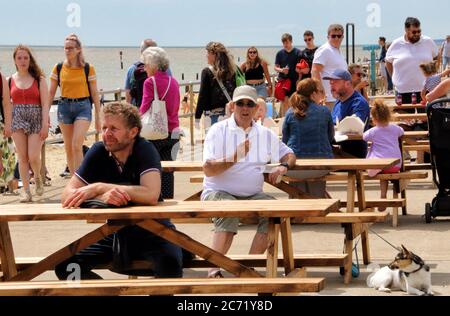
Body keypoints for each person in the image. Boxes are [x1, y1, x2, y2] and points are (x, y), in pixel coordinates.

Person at [56, 101, 183, 279]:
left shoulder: (145, 149)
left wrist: (99, 187)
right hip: (116, 233)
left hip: (155, 231)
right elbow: (66, 195)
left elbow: (151, 194)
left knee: (170, 267)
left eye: (114, 128)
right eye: (104, 128)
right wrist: (101, 197)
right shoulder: (98, 152)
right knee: (66, 266)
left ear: (133, 132)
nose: (107, 134)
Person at [202, 85, 296, 278]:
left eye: (249, 104)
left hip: (253, 195)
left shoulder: (265, 133)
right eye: (240, 104)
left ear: (256, 108)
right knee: (229, 210)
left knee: (276, 213)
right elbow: (208, 169)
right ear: (232, 106)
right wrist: (235, 157)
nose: (245, 108)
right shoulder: (217, 130)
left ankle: (246, 266)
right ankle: (214, 269)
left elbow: (290, 154)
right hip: (218, 191)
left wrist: (283, 167)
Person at [48, 34, 101, 176]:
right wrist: (45, 114)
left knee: (76, 145)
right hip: (64, 107)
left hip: (83, 107)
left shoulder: (88, 68)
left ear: (78, 49)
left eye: (70, 48)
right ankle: (73, 180)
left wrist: (98, 116)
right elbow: (51, 92)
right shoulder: (58, 67)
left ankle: (80, 180)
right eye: (65, 48)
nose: (67, 50)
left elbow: (95, 94)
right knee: (69, 148)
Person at [6, 45, 49, 202]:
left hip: (36, 118)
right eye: (19, 58)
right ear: (15, 60)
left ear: (30, 60)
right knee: (22, 157)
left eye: (26, 57)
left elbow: (45, 104)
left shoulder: (39, 79)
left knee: (33, 156)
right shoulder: (9, 80)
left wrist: (45, 124)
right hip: (17, 118)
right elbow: (6, 104)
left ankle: (37, 176)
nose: (23, 61)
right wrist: (8, 124)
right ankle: (26, 191)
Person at [282, 78, 334, 198]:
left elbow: (284, 141)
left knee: (297, 191)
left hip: (295, 165)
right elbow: (330, 137)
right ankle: (316, 208)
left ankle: (297, 214)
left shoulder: (290, 112)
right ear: (313, 93)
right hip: (320, 165)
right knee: (316, 191)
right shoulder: (324, 111)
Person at [140, 47, 180, 199]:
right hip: (174, 130)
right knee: (168, 170)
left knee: (152, 169)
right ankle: (168, 200)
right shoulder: (174, 82)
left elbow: (144, 107)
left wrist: (134, 120)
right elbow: (175, 107)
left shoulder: (150, 82)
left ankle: (156, 199)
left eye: (146, 64)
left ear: (154, 65)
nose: (144, 68)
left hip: (156, 132)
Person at [385, 17, 439, 105]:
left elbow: (437, 56)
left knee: (427, 117)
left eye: (419, 31)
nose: (417, 34)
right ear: (406, 30)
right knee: (404, 118)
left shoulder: (428, 41)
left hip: (426, 89)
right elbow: (388, 62)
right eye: (414, 32)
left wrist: (433, 74)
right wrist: (394, 78)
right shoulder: (396, 44)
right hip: (402, 91)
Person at [364, 100, 404, 211]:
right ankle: (383, 196)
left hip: (382, 164)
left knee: (381, 170)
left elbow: (364, 137)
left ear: (374, 119)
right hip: (396, 165)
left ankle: (383, 195)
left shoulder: (373, 131)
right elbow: (402, 131)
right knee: (384, 171)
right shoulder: (395, 128)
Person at [325, 69, 370, 158]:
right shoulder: (338, 102)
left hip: (353, 154)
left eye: (335, 82)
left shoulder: (359, 103)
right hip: (338, 150)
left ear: (348, 84)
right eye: (330, 82)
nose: (331, 85)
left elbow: (354, 129)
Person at [196, 42, 237, 130]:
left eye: (208, 53)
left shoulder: (207, 71)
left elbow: (202, 96)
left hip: (212, 116)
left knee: (213, 142)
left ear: (214, 54)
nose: (206, 56)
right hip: (229, 114)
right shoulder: (231, 71)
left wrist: (197, 117)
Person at [312, 24, 348, 111]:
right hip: (328, 99)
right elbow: (315, 71)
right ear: (328, 37)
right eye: (333, 36)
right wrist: (320, 92)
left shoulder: (336, 51)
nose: (336, 38)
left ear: (342, 37)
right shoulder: (325, 50)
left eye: (339, 36)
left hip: (338, 97)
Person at [274, 33, 303, 116]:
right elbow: (275, 67)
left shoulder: (298, 53)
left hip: (294, 81)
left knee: (293, 102)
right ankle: (285, 120)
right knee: (284, 102)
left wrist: (299, 80)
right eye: (283, 43)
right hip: (283, 81)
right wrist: (282, 70)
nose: (285, 45)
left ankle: (293, 119)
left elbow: (300, 68)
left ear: (291, 41)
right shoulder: (279, 53)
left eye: (287, 42)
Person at [0, 71, 16, 192]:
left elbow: (6, 103)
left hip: (1, 123)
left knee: (8, 156)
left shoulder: (1, 77)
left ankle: (9, 187)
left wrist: (8, 124)